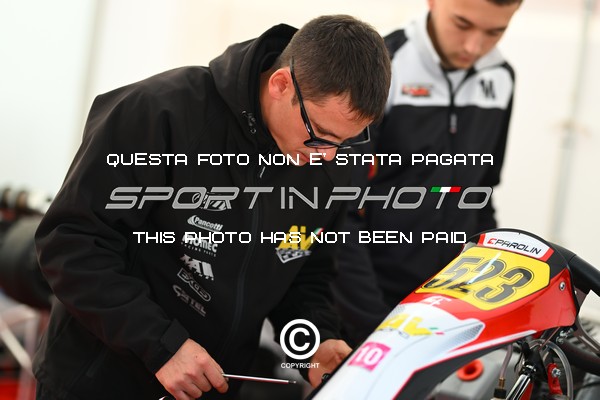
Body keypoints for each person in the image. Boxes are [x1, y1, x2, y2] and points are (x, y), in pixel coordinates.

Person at [33, 15, 391, 400]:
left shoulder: (329, 165)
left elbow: (303, 274)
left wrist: (315, 343)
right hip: (100, 382)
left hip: (209, 388)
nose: (329, 155)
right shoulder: (160, 112)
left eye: (346, 142)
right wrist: (161, 344)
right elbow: (71, 243)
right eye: (319, 135)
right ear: (280, 84)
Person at [331, 0, 522, 346]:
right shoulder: (383, 67)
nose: (473, 47)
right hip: (370, 305)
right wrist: (373, 327)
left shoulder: (501, 77)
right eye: (462, 24)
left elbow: (481, 194)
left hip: (451, 306)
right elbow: (339, 213)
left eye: (495, 31)